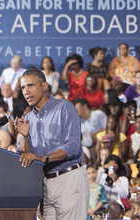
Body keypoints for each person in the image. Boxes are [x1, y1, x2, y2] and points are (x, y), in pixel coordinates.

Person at [14, 67, 89, 219]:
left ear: (44, 86)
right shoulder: (29, 118)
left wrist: (43, 158)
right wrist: (25, 137)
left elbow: (72, 147)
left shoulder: (64, 108)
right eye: (23, 87)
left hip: (69, 178)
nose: (26, 91)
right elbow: (26, 156)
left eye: (30, 85)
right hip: (46, 184)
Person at [73, 98, 107, 163]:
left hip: (103, 142)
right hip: (89, 145)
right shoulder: (80, 122)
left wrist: (94, 135)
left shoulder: (99, 114)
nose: (76, 110)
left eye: (78, 107)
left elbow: (107, 129)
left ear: (84, 106)